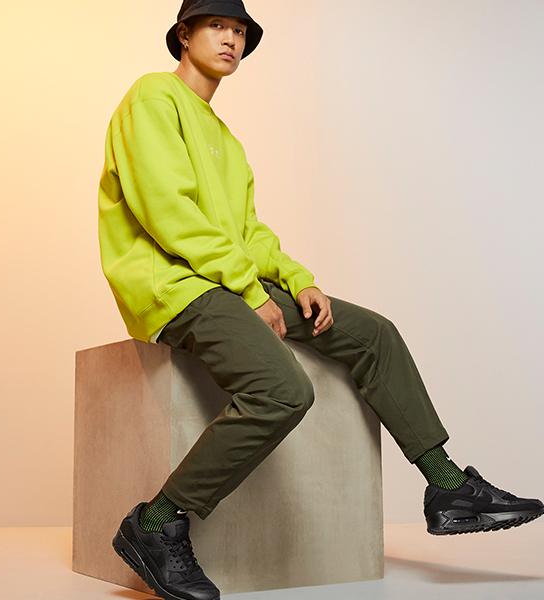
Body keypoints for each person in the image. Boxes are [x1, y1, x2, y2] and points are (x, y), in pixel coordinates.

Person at [98, 1, 544, 598]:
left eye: (240, 31)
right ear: (184, 34)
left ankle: (447, 487)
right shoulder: (153, 97)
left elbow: (248, 231)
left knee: (373, 334)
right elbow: (168, 213)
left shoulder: (225, 138)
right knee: (283, 391)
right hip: (174, 286)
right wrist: (249, 289)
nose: (231, 40)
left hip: (222, 278)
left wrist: (296, 278)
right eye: (217, 26)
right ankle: (156, 522)